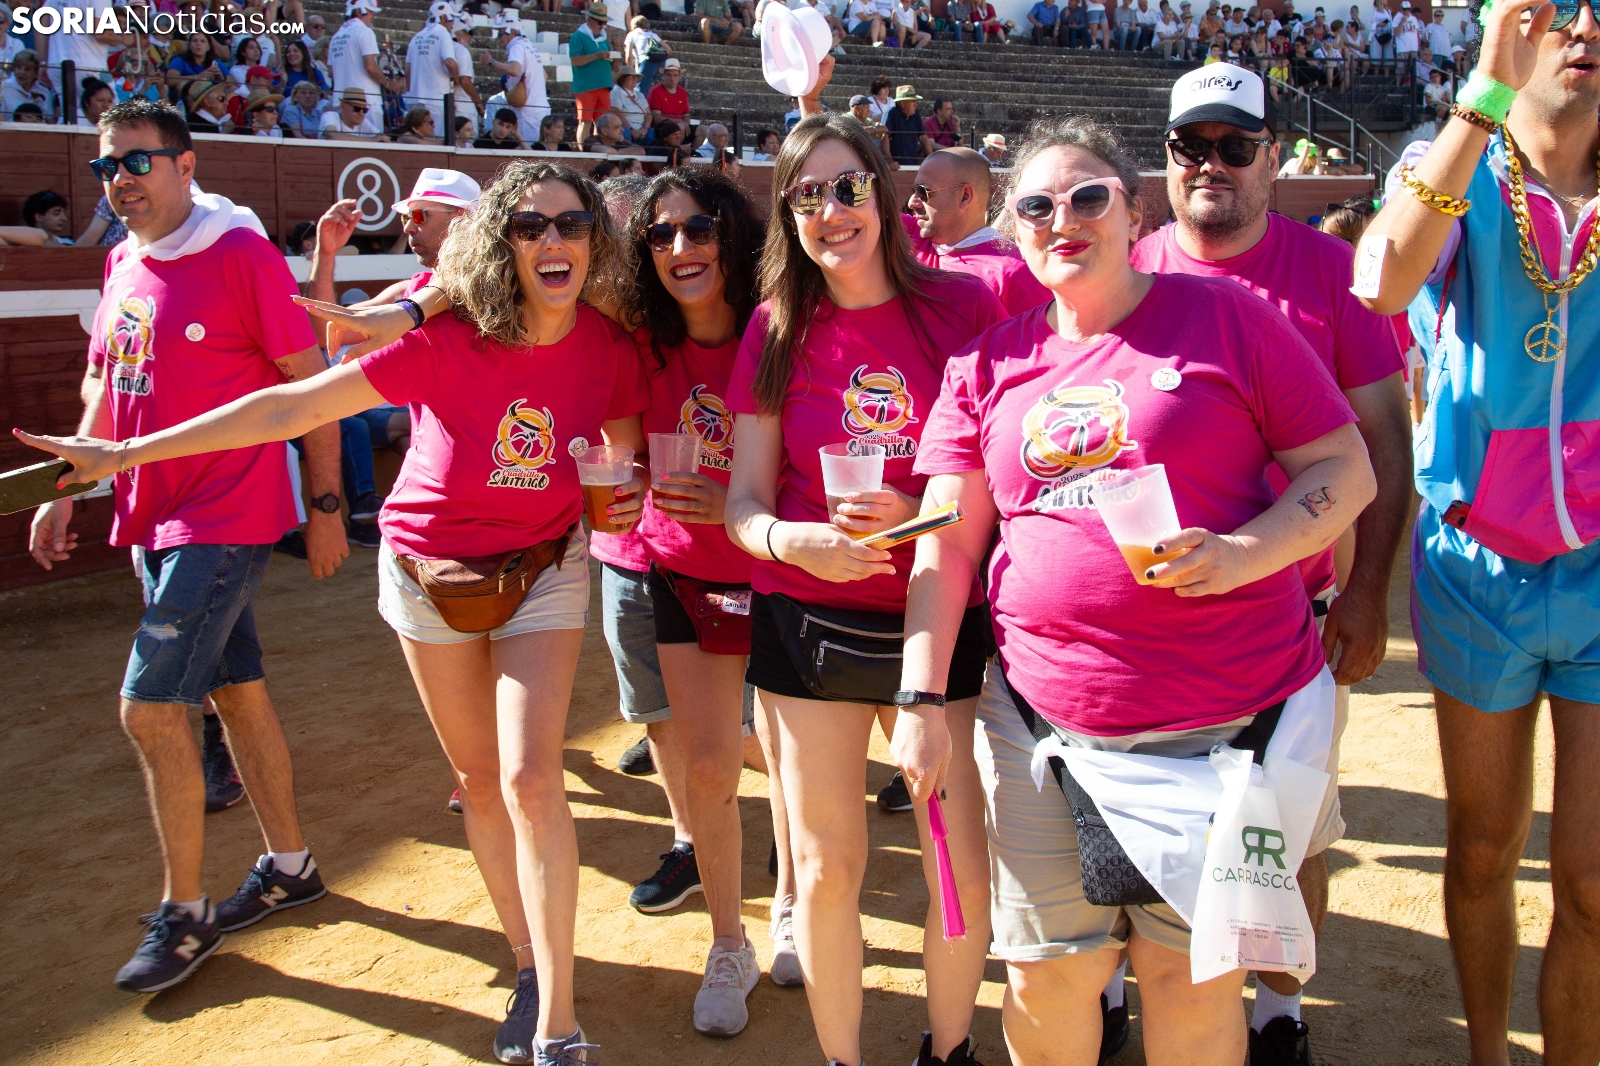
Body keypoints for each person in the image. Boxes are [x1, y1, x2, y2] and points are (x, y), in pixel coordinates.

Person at [29, 158, 646, 1066]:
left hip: (544, 566)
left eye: (571, 224)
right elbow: (290, 406)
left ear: (594, 242)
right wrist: (124, 456)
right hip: (427, 571)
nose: (552, 241)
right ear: (502, 243)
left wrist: (625, 492)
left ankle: (556, 1019)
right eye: (529, 226)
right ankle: (525, 961)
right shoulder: (450, 338)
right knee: (479, 781)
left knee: (528, 779)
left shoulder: (610, 345)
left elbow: (624, 455)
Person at [896, 113, 1374, 1066]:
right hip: (1043, 723)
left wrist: (1242, 553)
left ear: (1133, 210)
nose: (1063, 220)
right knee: (1047, 976)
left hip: (1225, 724)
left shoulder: (1229, 319)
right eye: (1037, 206)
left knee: (1190, 979)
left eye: (1088, 197)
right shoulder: (985, 366)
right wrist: (918, 698)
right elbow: (943, 547)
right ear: (1013, 224)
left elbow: (1344, 471)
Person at [21, 98, 344, 995]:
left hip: (226, 514)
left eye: (137, 161)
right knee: (236, 692)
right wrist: (66, 489)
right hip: (150, 516)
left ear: (185, 164)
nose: (119, 180)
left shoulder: (239, 253)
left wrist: (324, 505)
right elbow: (104, 381)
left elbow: (310, 387)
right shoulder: (121, 261)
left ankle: (187, 911)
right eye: (105, 167)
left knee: (152, 707)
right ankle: (290, 867)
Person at [723, 64, 1009, 1064]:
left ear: (884, 196)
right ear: (787, 217)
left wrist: (921, 513)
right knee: (825, 864)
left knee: (953, 861)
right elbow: (743, 505)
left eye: (847, 187)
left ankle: (948, 1048)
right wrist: (787, 540)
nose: (830, 211)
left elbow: (991, 486)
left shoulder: (965, 308)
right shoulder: (775, 326)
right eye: (806, 197)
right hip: (806, 619)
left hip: (936, 619)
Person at [1130, 63, 1411, 1065]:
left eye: (1235, 145)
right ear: (1165, 157)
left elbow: (1385, 444)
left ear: (1275, 156)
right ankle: (1126, 986)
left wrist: (1367, 595)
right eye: (1190, 146)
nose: (1211, 164)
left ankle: (1278, 1010)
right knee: (1133, 824)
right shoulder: (1128, 264)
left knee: (1285, 834)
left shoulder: (1331, 274)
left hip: (1295, 617)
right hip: (1148, 623)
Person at [1356, 0, 1600, 1061]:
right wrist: (1484, 94)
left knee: (1590, 882)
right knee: (1484, 849)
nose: (1583, 27)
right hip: (1477, 570)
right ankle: (1490, 1055)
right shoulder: (1451, 165)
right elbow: (1380, 280)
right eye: (1556, 8)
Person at [610, 168, 779, 1034]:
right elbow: (630, 460)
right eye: (662, 234)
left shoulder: (779, 331)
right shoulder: (640, 344)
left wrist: (739, 507)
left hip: (778, 573)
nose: (682, 248)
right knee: (711, 767)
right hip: (683, 574)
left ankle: (794, 903)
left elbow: (811, 463)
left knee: (792, 760)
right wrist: (620, 485)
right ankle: (729, 943)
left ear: (732, 236)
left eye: (700, 229)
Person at [904, 147, 1052, 315]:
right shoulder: (913, 234)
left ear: (964, 196)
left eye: (923, 192)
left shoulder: (1015, 273)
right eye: (913, 191)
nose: (912, 203)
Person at [326, 0, 395, 135]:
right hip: (366, 104)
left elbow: (331, 72)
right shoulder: (365, 32)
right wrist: (388, 84)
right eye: (371, 12)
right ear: (359, 12)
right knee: (373, 144)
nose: (373, 16)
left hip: (342, 103)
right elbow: (370, 67)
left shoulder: (336, 37)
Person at [484, 10, 550, 145]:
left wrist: (490, 62)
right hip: (540, 108)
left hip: (527, 112)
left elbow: (514, 70)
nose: (499, 38)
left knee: (529, 152)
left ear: (512, 33)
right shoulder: (529, 46)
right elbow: (544, 75)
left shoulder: (516, 46)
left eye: (501, 33)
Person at [405, 2, 458, 132]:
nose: (452, 23)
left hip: (415, 99)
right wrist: (456, 79)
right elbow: (450, 63)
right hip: (436, 100)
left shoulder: (416, 37)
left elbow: (407, 70)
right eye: (451, 19)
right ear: (443, 18)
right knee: (437, 139)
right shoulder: (443, 33)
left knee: (417, 138)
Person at [570, 3, 616, 145]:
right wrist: (596, 55)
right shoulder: (578, 36)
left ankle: (598, 150)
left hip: (604, 86)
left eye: (604, 22)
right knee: (585, 122)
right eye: (600, 22)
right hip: (586, 86)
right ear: (589, 20)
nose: (602, 26)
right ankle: (584, 152)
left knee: (602, 124)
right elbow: (575, 60)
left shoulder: (603, 38)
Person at [3, 50, 57, 122]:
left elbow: (50, 121)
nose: (22, 72)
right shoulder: (4, 89)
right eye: (18, 67)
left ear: (36, 73)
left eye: (27, 69)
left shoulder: (44, 92)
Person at [885, 83, 931, 166]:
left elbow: (923, 138)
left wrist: (932, 159)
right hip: (897, 165)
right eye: (913, 101)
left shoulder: (915, 114)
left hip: (913, 164)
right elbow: (885, 137)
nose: (916, 104)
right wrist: (890, 161)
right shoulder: (893, 114)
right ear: (903, 104)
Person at [321, 85, 388, 140]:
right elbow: (334, 136)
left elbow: (381, 137)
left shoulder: (363, 122)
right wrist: (372, 140)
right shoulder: (330, 116)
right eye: (357, 109)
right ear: (343, 106)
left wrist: (379, 138)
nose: (361, 114)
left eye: (364, 110)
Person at [624, 14, 670, 93]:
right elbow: (669, 49)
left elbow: (628, 56)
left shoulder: (632, 34)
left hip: (646, 65)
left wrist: (629, 72)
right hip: (661, 65)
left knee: (641, 94)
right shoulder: (652, 34)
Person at [646, 58, 690, 132]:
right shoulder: (656, 91)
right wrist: (677, 122)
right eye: (669, 75)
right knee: (680, 127)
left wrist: (686, 124)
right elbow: (656, 118)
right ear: (664, 75)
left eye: (675, 75)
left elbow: (686, 115)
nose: (672, 78)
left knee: (703, 129)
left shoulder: (683, 92)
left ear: (679, 77)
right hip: (662, 127)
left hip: (681, 124)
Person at [611, 68, 650, 140]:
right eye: (631, 77)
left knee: (655, 135)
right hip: (625, 127)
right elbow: (617, 112)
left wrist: (645, 128)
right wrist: (631, 129)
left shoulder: (640, 95)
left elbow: (649, 114)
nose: (635, 79)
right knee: (623, 134)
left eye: (636, 77)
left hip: (642, 128)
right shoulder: (616, 93)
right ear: (622, 79)